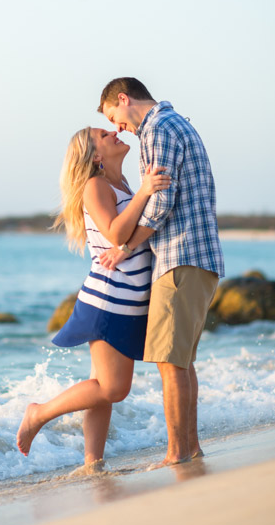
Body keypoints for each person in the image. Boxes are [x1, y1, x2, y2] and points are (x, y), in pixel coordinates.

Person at [16, 126, 170, 469]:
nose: (115, 131)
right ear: (96, 156)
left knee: (101, 386)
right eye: (104, 134)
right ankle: (39, 413)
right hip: (108, 300)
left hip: (127, 301)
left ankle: (92, 463)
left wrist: (141, 190)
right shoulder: (95, 186)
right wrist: (146, 191)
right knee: (114, 389)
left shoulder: (124, 185)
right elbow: (116, 233)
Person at [98, 76, 225, 468]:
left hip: (180, 255)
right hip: (195, 257)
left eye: (113, 115)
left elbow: (161, 203)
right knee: (182, 362)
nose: (117, 126)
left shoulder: (159, 128)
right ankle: (191, 448)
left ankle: (176, 453)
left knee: (171, 363)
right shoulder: (175, 123)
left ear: (124, 99)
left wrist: (126, 246)